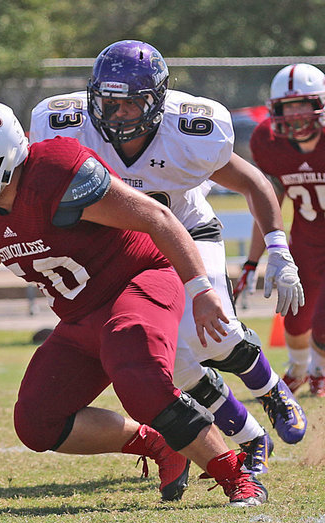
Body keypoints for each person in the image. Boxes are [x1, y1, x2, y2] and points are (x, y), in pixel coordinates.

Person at [0, 100, 267, 506]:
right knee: (36, 421)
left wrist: (201, 289)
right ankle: (160, 443)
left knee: (138, 372)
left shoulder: (56, 170)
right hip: (81, 315)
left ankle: (236, 472)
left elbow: (158, 218)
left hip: (137, 281)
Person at [29, 40, 307, 475]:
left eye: (132, 104)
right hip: (121, 250)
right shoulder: (65, 124)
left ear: (157, 101)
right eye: (109, 101)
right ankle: (251, 436)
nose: (118, 114)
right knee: (168, 357)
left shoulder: (190, 131)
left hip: (188, 232)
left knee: (211, 330)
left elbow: (253, 182)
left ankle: (270, 389)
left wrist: (277, 249)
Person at [237, 64, 325, 397]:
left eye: (303, 104)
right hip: (306, 240)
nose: (295, 115)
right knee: (295, 317)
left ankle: (320, 372)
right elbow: (268, 204)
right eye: (288, 106)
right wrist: (251, 261)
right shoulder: (268, 142)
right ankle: (299, 370)